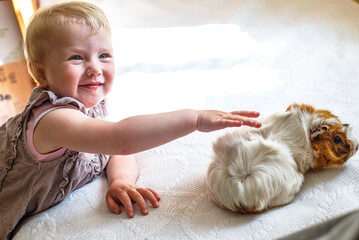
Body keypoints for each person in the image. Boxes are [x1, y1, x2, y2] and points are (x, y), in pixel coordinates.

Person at [0, 1, 262, 239]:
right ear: (40, 72)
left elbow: (115, 150)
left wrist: (121, 180)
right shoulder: (53, 120)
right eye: (77, 57)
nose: (95, 68)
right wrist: (194, 119)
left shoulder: (88, 109)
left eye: (104, 55)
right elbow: (121, 139)